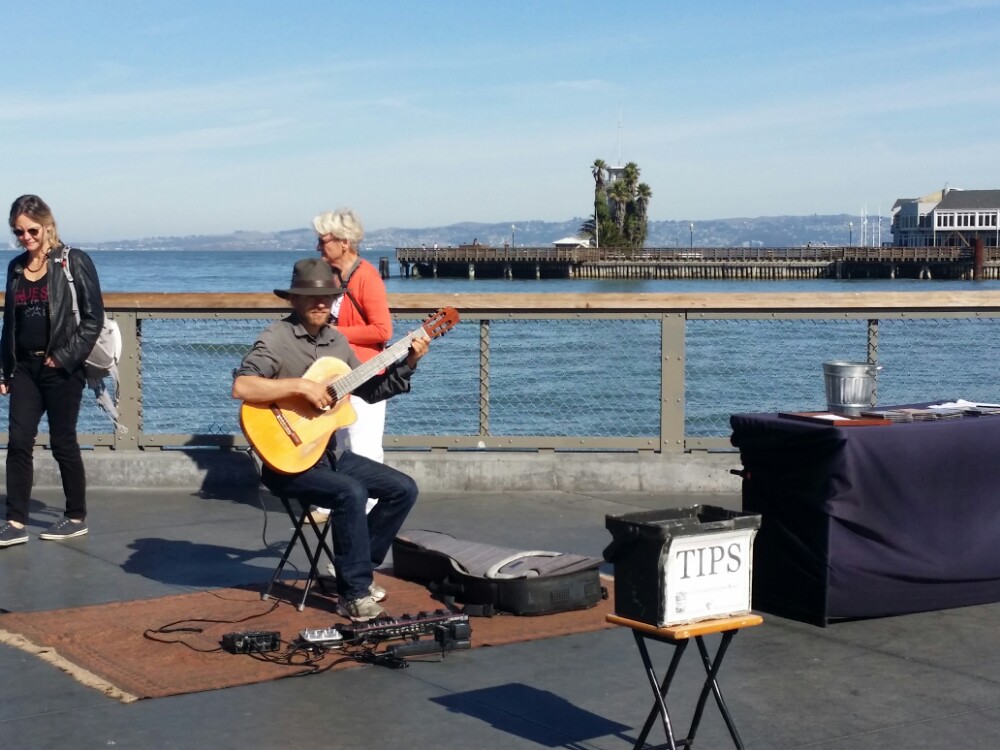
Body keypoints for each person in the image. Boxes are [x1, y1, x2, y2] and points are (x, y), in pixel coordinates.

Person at [232, 258, 428, 621]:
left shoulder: (337, 342)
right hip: (284, 462)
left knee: (403, 488)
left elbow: (370, 389)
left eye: (327, 298)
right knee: (350, 492)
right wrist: (301, 386)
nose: (320, 304)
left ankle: (356, 570)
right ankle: (352, 595)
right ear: (294, 300)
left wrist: (409, 363)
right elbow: (242, 385)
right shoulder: (277, 338)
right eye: (310, 298)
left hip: (328, 453)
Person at [1, 195, 105, 547]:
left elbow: (93, 319)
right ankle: (15, 521)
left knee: (63, 443)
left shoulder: (73, 261)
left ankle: (75, 516)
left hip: (62, 368)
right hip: (25, 369)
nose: (26, 237)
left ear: (47, 225)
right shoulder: (15, 268)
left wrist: (64, 358)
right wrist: (4, 370)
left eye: (32, 230)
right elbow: (9, 325)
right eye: (18, 232)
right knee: (18, 442)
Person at [310, 209, 392, 544]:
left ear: (344, 242)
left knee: (363, 444)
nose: (318, 246)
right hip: (338, 372)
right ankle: (335, 504)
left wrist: (337, 331)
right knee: (338, 439)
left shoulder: (366, 277)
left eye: (323, 240)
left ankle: (369, 511)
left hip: (365, 374)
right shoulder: (331, 275)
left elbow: (382, 329)